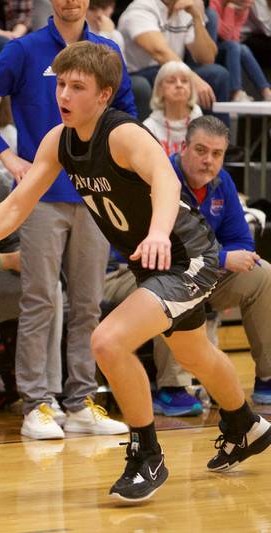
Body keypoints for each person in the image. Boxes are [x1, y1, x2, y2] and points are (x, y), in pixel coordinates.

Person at [0, 41, 271, 502]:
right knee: (193, 351)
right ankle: (246, 425)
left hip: (186, 255)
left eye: (78, 87)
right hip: (150, 263)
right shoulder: (59, 140)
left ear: (104, 95)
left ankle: (147, 454)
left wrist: (158, 232)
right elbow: (18, 203)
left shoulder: (123, 134)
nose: (65, 95)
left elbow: (165, 178)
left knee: (107, 340)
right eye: (61, 85)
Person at [0, 0, 137, 441]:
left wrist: (112, 164)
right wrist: (7, 156)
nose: (72, 1)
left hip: (96, 194)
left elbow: (128, 112)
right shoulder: (24, 50)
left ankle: (80, 402)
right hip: (40, 196)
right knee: (40, 299)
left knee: (88, 301)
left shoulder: (107, 51)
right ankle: (36, 403)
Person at [106, 116, 271, 415]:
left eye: (217, 154)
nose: (208, 160)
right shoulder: (158, 175)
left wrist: (226, 259)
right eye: (201, 150)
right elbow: (166, 249)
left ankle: (267, 378)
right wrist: (221, 259)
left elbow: (241, 241)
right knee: (175, 281)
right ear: (183, 148)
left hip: (198, 272)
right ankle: (172, 388)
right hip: (134, 273)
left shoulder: (223, 183)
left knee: (264, 274)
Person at [117, 0, 229, 116]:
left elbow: (207, 58)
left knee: (217, 74)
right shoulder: (141, 8)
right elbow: (159, 52)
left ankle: (214, 133)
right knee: (158, 77)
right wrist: (191, 78)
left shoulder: (185, 10)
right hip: (139, 74)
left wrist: (196, 17)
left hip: (171, 69)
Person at [210, 0, 271, 102]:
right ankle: (236, 92)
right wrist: (230, 8)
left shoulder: (244, 8)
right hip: (211, 48)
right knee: (234, 46)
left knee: (242, 48)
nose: (251, 4)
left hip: (227, 45)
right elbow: (225, 34)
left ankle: (266, 91)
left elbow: (234, 37)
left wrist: (237, 11)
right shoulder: (215, 3)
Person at [142, 61, 203, 157]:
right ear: (160, 89)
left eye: (184, 81)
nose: (179, 85)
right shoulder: (149, 127)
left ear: (191, 88)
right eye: (171, 81)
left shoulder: (203, 125)